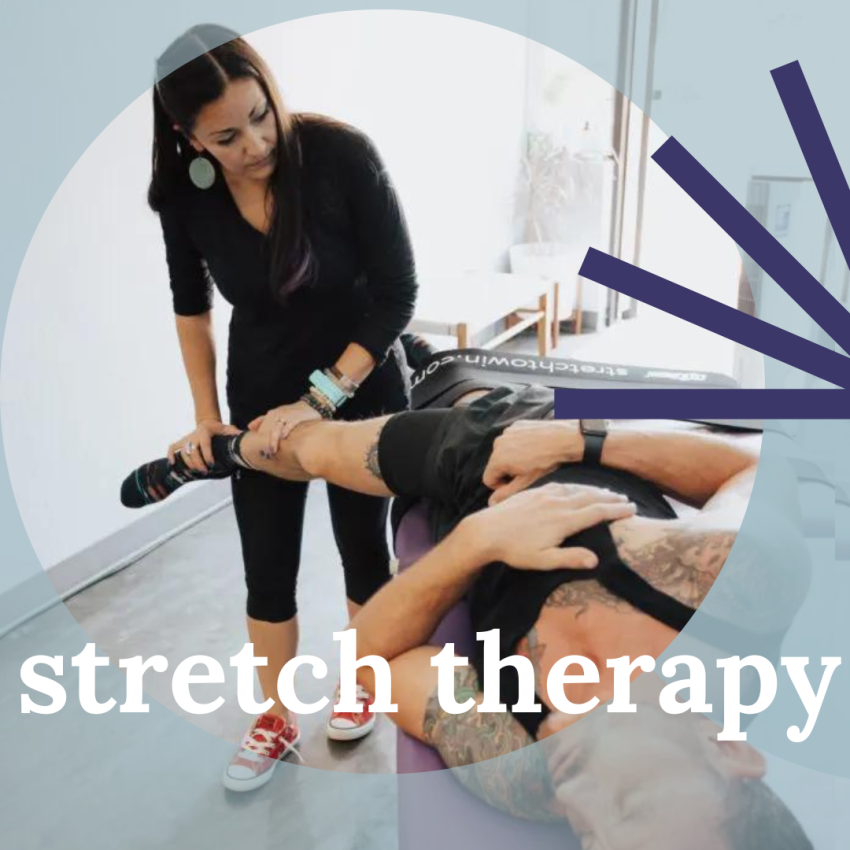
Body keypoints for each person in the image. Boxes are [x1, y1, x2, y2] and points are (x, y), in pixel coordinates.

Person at [121, 367, 813, 846]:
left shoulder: (517, 768)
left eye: (592, 842)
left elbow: (370, 660)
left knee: (348, 437)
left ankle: (228, 451)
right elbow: (749, 465)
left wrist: (479, 542)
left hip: (464, 492)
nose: (576, 809)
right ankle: (227, 449)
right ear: (730, 751)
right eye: (627, 809)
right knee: (313, 443)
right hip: (530, 432)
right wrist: (579, 440)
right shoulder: (734, 589)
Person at [147, 23, 417, 789]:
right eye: (226, 136)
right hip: (259, 395)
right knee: (266, 567)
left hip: (362, 383)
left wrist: (320, 400)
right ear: (187, 136)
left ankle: (361, 678)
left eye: (261, 115)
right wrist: (208, 418)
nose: (256, 143)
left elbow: (398, 291)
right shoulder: (183, 197)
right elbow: (190, 307)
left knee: (365, 549)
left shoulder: (340, 156)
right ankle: (273, 716)